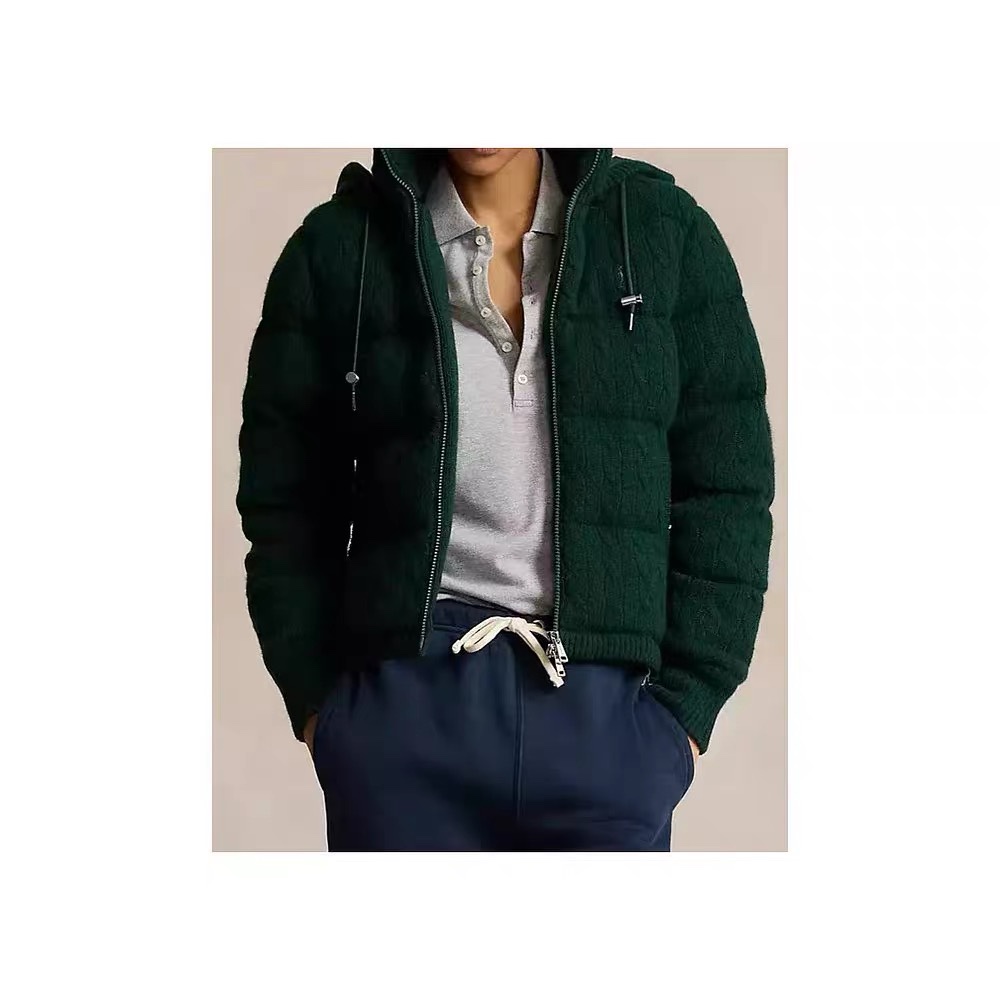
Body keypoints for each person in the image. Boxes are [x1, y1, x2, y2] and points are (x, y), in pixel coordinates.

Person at [236, 147, 775, 851]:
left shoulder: (659, 231)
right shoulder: (342, 248)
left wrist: (683, 713)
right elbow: (286, 499)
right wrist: (327, 712)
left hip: (605, 718)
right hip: (406, 714)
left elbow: (728, 485)